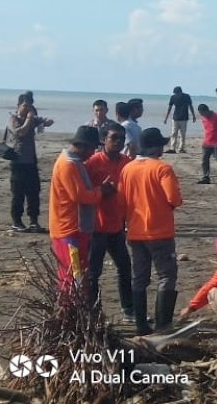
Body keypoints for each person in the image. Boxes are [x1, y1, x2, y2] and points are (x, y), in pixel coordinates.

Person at [117, 127, 184, 335]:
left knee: (139, 278)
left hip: (135, 231)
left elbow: (121, 201)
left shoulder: (127, 169)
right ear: (156, 148)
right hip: (160, 231)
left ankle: (141, 325)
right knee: (166, 275)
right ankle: (163, 324)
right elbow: (174, 198)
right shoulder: (162, 169)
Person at [48, 126, 116, 292]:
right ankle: (69, 314)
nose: (93, 153)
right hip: (69, 229)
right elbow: (80, 196)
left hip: (74, 228)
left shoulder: (74, 162)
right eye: (93, 148)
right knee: (73, 276)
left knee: (75, 274)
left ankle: (71, 312)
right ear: (83, 146)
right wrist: (102, 191)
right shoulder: (68, 165)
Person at [84, 124, 134, 321]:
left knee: (124, 267)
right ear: (104, 139)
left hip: (117, 225)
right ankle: (93, 313)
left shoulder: (127, 162)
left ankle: (128, 309)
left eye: (122, 139)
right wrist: (101, 189)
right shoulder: (93, 163)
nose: (119, 142)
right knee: (94, 272)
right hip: (97, 227)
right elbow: (82, 192)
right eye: (114, 138)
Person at [6, 98, 53, 232]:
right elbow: (20, 132)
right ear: (18, 106)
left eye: (29, 106)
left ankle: (34, 221)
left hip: (31, 162)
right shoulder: (13, 119)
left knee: (33, 192)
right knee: (18, 193)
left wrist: (46, 121)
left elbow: (44, 122)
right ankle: (17, 221)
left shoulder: (32, 118)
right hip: (18, 162)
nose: (27, 109)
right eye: (24, 106)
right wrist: (29, 119)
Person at [163, 87, 195, 154]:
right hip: (175, 118)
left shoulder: (186, 96)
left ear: (181, 92)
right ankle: (172, 148)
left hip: (184, 118)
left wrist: (193, 115)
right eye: (176, 93)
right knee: (174, 133)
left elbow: (190, 106)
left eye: (177, 93)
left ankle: (181, 148)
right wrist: (166, 118)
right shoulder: (173, 97)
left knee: (182, 134)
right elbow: (170, 107)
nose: (177, 94)